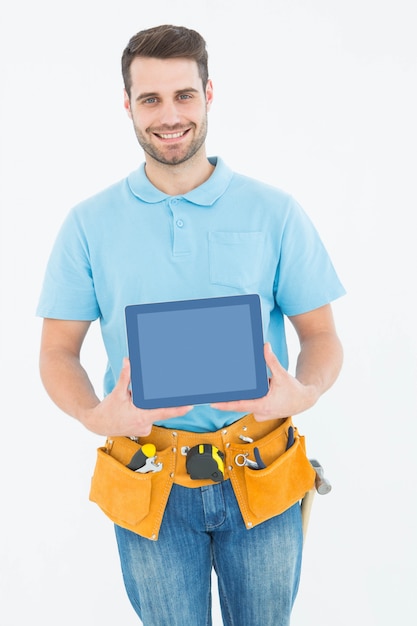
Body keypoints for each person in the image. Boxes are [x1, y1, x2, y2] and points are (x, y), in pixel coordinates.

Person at [37, 24, 345, 626]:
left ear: (208, 93)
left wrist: (303, 393)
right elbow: (56, 351)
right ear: (127, 105)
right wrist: (95, 415)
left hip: (260, 471)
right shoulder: (87, 224)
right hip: (148, 478)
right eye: (150, 99)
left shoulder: (274, 211)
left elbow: (323, 337)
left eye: (184, 95)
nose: (169, 115)